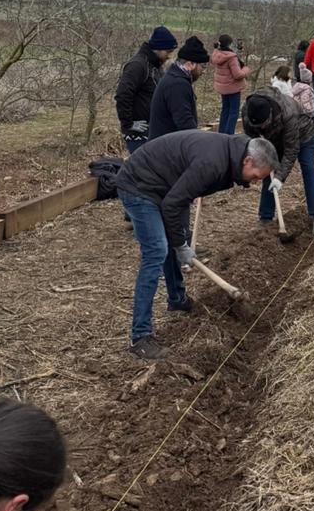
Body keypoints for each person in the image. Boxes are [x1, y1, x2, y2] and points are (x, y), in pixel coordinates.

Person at [112, 130, 279, 361]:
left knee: (170, 240)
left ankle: (177, 300)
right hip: (139, 185)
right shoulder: (212, 163)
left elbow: (178, 200)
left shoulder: (231, 155)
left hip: (164, 186)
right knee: (157, 250)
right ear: (248, 160)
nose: (256, 182)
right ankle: (139, 337)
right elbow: (172, 204)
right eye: (257, 176)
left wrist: (180, 237)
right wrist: (181, 245)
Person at [242, 89, 314, 236]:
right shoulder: (248, 112)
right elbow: (252, 139)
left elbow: (291, 150)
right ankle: (265, 218)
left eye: (264, 124)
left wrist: (280, 177)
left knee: (308, 169)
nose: (262, 128)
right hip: (274, 139)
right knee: (267, 172)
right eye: (258, 126)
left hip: (302, 134)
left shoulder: (288, 113)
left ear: (270, 114)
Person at [114, 26, 177, 153]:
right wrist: (128, 123)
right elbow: (123, 94)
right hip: (138, 134)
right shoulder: (137, 65)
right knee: (143, 166)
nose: (169, 56)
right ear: (158, 48)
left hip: (151, 131)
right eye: (168, 51)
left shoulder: (155, 66)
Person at [148, 36, 209, 140]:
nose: (204, 71)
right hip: (166, 147)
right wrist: (199, 142)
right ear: (191, 64)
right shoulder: (177, 84)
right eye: (202, 66)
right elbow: (185, 123)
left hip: (168, 144)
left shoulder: (175, 78)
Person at [210, 35, 249, 135]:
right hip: (233, 88)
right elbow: (237, 75)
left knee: (225, 110)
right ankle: (228, 134)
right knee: (233, 112)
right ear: (229, 44)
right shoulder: (231, 58)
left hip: (223, 87)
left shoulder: (217, 54)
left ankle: (221, 133)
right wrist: (246, 70)